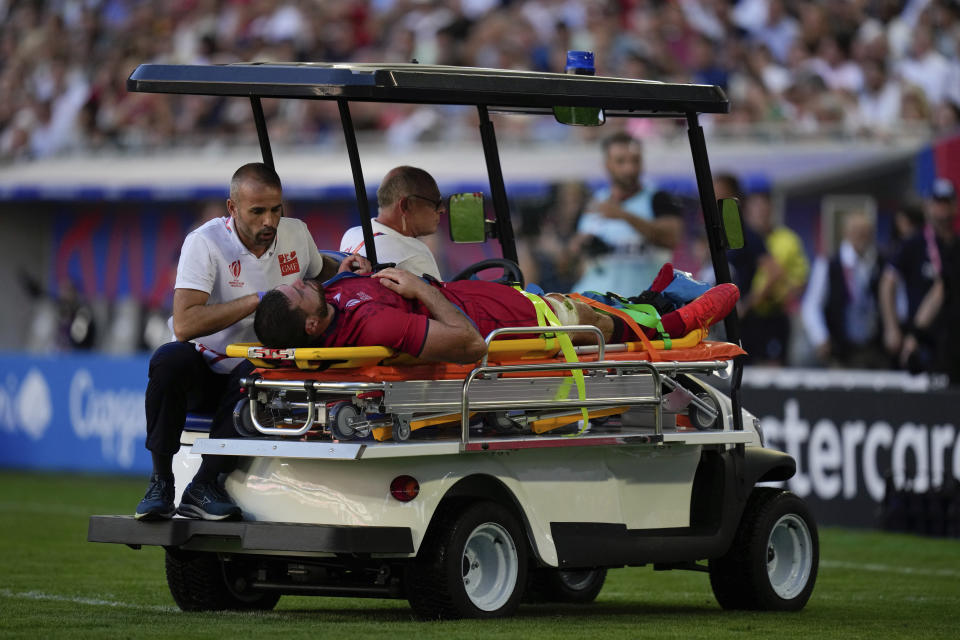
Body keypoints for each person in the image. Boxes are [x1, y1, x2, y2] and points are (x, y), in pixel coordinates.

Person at [135, 162, 370, 522]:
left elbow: (317, 267)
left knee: (259, 369)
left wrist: (344, 268)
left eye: (276, 210)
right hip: (206, 367)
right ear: (232, 209)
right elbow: (184, 324)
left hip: (259, 372)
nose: (269, 222)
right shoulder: (205, 243)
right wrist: (259, 299)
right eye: (257, 211)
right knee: (169, 359)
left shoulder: (295, 233)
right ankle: (160, 482)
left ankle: (203, 484)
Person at [253, 266, 740, 364]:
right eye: (299, 293)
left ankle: (656, 296)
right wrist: (420, 287)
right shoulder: (372, 328)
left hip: (499, 299)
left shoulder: (333, 301)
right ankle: (680, 322)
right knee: (594, 319)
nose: (302, 282)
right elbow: (468, 344)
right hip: (513, 325)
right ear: (311, 326)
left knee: (585, 297)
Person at [572, 132, 683, 294]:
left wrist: (624, 215)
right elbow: (574, 260)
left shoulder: (658, 199)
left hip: (641, 304)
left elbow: (670, 238)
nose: (630, 168)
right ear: (607, 164)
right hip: (594, 300)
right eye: (621, 161)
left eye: (635, 161)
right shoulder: (593, 202)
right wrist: (576, 247)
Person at [879, 178, 958, 373]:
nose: (942, 211)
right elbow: (888, 282)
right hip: (926, 338)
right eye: (937, 204)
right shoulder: (914, 243)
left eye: (946, 204)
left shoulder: (956, 246)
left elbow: (940, 291)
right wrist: (895, 328)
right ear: (928, 206)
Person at [801, 211, 886, 368]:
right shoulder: (829, 264)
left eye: (865, 233)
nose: (861, 237)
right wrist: (820, 337)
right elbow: (812, 305)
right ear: (846, 233)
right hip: (840, 348)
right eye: (856, 232)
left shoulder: (880, 262)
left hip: (874, 346)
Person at [739, 191, 808, 365]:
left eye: (764, 209)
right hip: (745, 318)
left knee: (773, 369)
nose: (760, 214)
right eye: (756, 210)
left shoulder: (787, 239)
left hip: (773, 315)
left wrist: (781, 294)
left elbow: (799, 278)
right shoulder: (740, 242)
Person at [340, 166, 443, 279]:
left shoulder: (351, 234)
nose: (442, 209)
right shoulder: (414, 255)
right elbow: (437, 296)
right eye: (435, 202)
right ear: (405, 206)